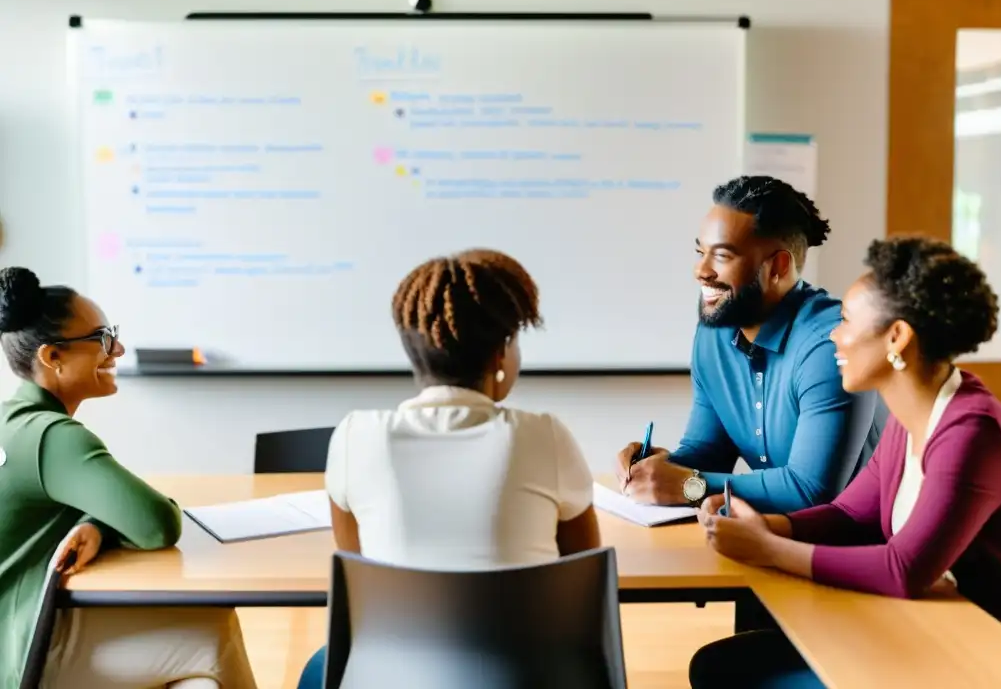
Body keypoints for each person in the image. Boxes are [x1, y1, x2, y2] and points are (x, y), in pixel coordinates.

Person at [689, 235, 1001, 688]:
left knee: (735, 672)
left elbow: (903, 570)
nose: (834, 335)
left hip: (982, 656)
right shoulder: (910, 417)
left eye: (846, 321)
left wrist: (767, 548)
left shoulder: (972, 432)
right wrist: (766, 526)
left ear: (897, 337)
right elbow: (851, 514)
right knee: (721, 665)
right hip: (923, 629)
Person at [296, 248, 601, 688]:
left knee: (320, 669)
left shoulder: (354, 437)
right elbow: (581, 581)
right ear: (501, 353)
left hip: (392, 674)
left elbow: (359, 579)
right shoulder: (544, 436)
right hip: (527, 673)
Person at [0, 267, 257, 689]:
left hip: (21, 629)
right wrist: (98, 521)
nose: (116, 348)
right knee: (214, 633)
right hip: (24, 653)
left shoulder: (15, 423)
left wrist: (93, 524)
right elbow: (157, 523)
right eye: (101, 338)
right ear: (53, 357)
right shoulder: (53, 438)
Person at [616, 176, 882, 514]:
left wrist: (687, 485)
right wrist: (656, 469)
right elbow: (708, 451)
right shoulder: (714, 333)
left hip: (860, 543)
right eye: (700, 252)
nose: (701, 270)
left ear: (778, 267)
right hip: (776, 538)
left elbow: (811, 491)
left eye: (722, 256)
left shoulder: (830, 346)